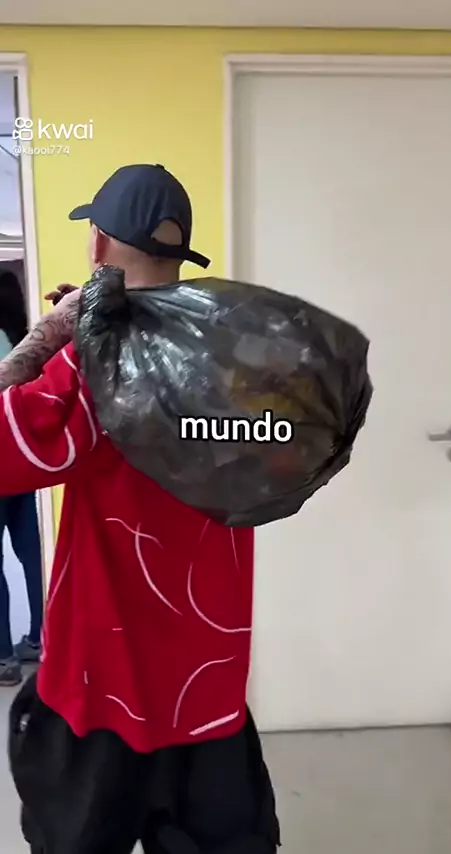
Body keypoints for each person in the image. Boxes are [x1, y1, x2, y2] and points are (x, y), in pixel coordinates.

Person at [0, 165, 279, 853]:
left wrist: (49, 338)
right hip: (206, 679)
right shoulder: (233, 352)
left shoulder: (94, 362)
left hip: (108, 685)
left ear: (98, 245)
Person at [0, 271, 43, 686]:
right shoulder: (26, 339)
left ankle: (3, 658)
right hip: (22, 460)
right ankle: (39, 638)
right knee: (32, 554)